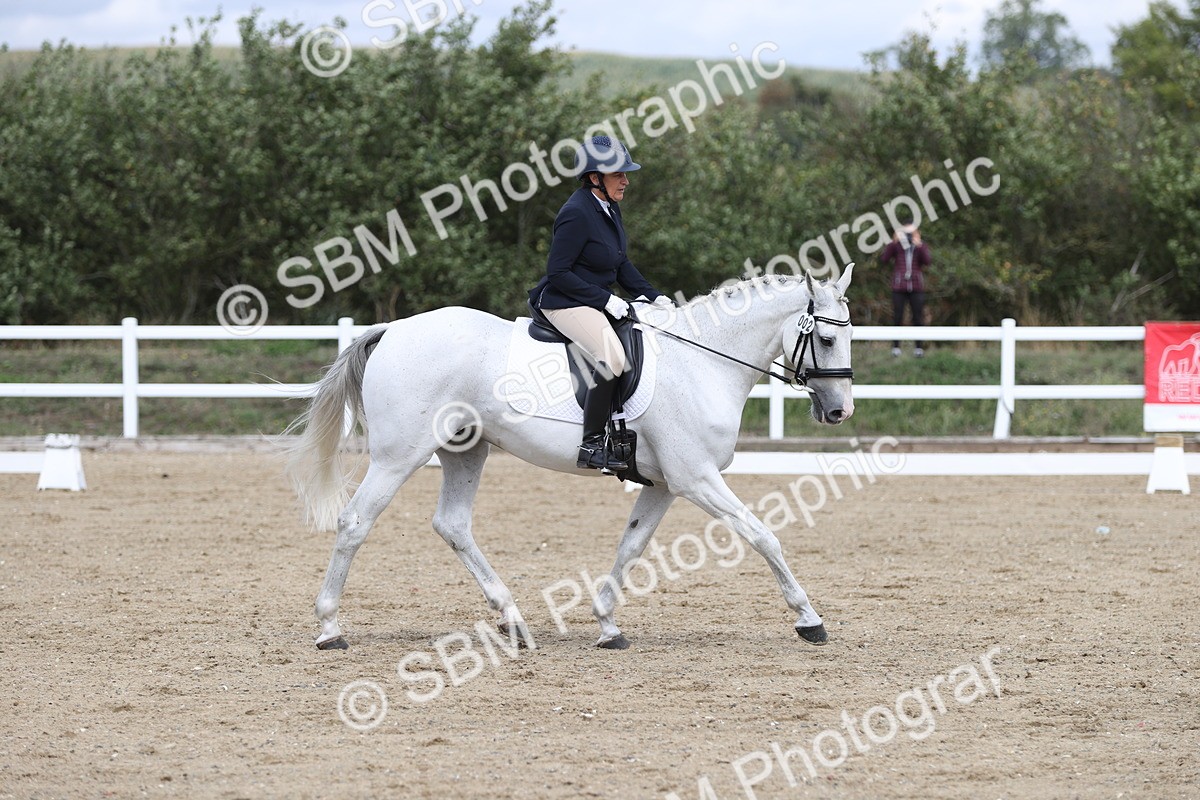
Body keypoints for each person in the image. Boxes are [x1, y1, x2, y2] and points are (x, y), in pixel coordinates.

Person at [527, 134, 672, 471]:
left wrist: (653, 295)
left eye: (625, 174)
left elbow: (620, 263)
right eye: (618, 174)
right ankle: (592, 444)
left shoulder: (608, 208)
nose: (626, 180)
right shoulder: (576, 213)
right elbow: (558, 272)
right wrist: (606, 300)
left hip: (590, 300)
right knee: (612, 356)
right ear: (595, 178)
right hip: (563, 301)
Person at [880, 222, 931, 357]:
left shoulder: (920, 247)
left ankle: (918, 348)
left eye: (911, 233)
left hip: (916, 287)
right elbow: (884, 259)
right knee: (897, 316)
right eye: (906, 233)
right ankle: (896, 347)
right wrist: (893, 241)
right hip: (899, 286)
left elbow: (927, 261)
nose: (908, 236)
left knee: (918, 317)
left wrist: (919, 244)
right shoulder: (896, 246)